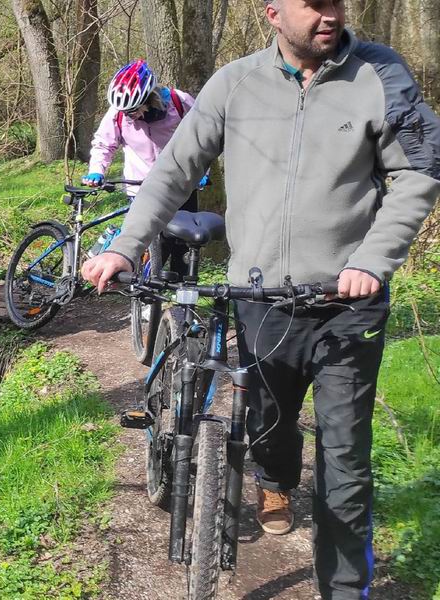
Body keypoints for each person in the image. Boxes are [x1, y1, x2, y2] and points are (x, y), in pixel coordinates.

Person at [82, 1, 440, 598]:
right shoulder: (234, 84)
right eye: (314, 4)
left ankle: (345, 589)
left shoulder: (382, 76)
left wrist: (372, 262)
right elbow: (173, 171)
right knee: (268, 426)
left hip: (347, 306)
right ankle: (275, 476)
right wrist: (125, 246)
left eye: (336, 2)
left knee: (344, 462)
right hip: (262, 299)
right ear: (273, 11)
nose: (331, 14)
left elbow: (419, 172)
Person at [82, 59, 200, 273]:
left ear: (150, 98)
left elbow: (202, 137)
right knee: (156, 242)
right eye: (125, 111)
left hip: (181, 184)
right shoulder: (117, 113)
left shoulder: (179, 102)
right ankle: (147, 295)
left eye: (133, 110)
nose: (130, 115)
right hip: (142, 187)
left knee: (184, 244)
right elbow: (103, 144)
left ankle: (181, 296)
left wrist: (202, 171)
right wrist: (97, 170)